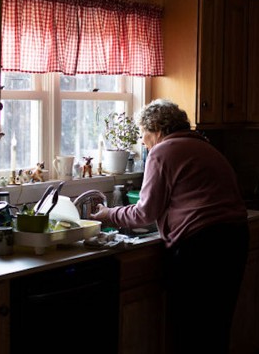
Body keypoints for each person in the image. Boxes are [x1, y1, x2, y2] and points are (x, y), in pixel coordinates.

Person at [92, 99, 248, 354]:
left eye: (143, 134)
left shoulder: (162, 152)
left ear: (157, 129)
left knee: (189, 329)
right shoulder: (204, 146)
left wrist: (110, 214)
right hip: (234, 239)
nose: (142, 141)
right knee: (216, 326)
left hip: (201, 247)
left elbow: (145, 212)